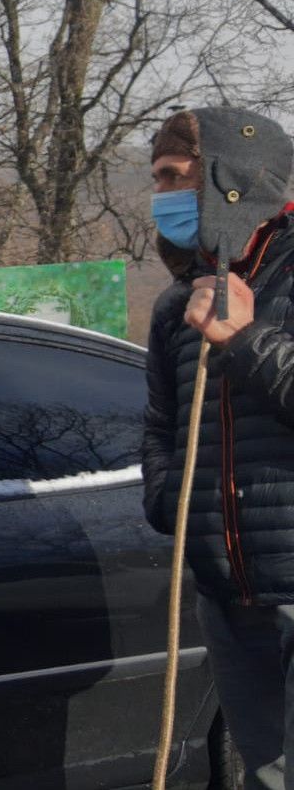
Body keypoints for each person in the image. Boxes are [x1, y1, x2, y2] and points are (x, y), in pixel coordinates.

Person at [142, 106, 294, 789]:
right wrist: (172, 503)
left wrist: (246, 339)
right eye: (158, 180)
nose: (165, 196)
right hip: (226, 590)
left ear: (233, 181)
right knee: (262, 774)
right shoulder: (178, 305)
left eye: (178, 176)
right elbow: (158, 425)